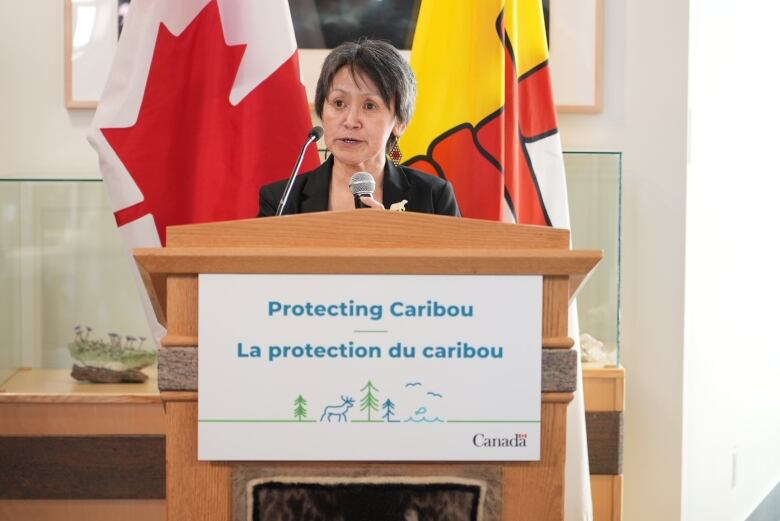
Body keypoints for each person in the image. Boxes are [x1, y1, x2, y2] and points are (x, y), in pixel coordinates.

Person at [258, 39, 460, 217]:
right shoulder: (280, 201)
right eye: (339, 103)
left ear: (399, 123)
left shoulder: (433, 196)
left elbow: (453, 262)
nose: (351, 120)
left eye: (369, 106)